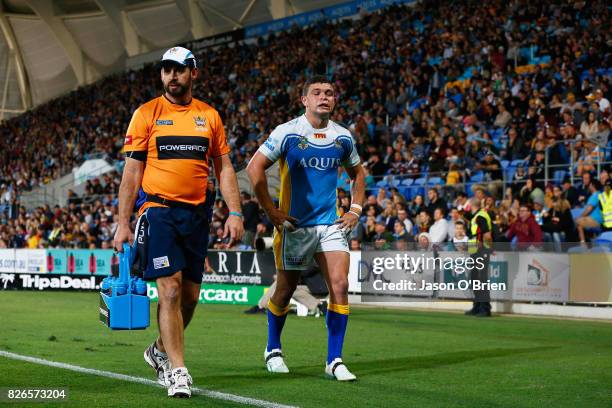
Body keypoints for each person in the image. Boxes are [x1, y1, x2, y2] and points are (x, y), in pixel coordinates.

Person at [113, 46, 244, 398]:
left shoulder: (210, 117)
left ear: (193, 73)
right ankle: (179, 370)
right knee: (168, 288)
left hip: (197, 215)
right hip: (157, 212)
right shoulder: (146, 114)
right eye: (167, 70)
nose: (172, 76)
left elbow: (225, 168)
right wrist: (123, 221)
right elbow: (132, 171)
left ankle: (157, 350)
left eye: (179, 69)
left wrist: (234, 212)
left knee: (190, 297)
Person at [246, 75, 365, 381]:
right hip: (295, 226)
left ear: (334, 100)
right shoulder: (287, 133)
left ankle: (334, 360)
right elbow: (254, 168)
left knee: (339, 286)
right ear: (305, 100)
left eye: (329, 93)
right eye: (317, 93)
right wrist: (270, 210)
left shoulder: (343, 137)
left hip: (330, 225)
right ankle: (273, 349)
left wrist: (355, 209)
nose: (324, 97)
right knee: (284, 289)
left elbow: (358, 173)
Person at [466, 198, 493, 317]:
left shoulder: (480, 216)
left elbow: (487, 235)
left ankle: (485, 308)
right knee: (474, 278)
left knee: (481, 279)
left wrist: (488, 248)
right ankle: (477, 305)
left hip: (481, 250)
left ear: (471, 205)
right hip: (474, 249)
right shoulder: (475, 217)